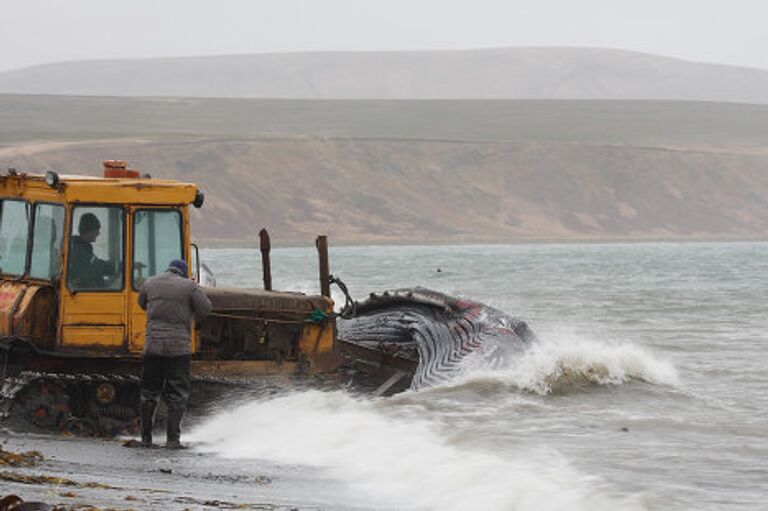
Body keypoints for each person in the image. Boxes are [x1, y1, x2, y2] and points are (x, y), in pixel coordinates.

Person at [137, 259, 212, 449]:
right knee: (177, 394)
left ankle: (146, 439)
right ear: (184, 272)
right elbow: (206, 309)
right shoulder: (189, 286)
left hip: (153, 347)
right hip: (178, 350)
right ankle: (173, 440)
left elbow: (142, 304)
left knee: (149, 393)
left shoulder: (150, 282)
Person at [68, 213, 115, 289]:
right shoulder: (77, 248)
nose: (98, 233)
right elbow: (96, 267)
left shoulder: (84, 246)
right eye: (97, 230)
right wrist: (116, 267)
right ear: (89, 231)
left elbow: (95, 265)